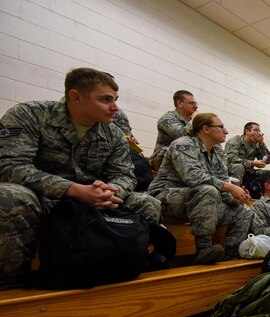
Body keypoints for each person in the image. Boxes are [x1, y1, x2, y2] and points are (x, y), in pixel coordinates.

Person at [0, 67, 161, 290]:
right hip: (43, 197)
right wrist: (74, 189)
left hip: (93, 200)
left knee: (148, 203)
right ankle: (11, 287)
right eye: (106, 99)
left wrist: (110, 190)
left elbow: (124, 174)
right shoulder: (30, 114)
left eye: (115, 99)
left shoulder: (113, 133)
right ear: (75, 97)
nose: (115, 107)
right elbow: (11, 166)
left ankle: (127, 271)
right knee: (8, 197)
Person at [147, 113, 252, 265]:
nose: (226, 131)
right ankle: (203, 250)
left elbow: (222, 184)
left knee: (242, 211)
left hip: (198, 203)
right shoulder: (183, 144)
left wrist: (235, 198)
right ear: (206, 129)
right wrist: (230, 187)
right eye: (221, 127)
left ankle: (231, 257)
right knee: (208, 191)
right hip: (165, 198)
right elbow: (193, 177)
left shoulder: (216, 154)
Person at [151, 90, 199, 171]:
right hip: (163, 157)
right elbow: (182, 137)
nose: (196, 107)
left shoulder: (191, 120)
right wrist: (194, 120)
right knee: (185, 148)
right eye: (191, 103)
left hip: (187, 154)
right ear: (179, 103)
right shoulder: (167, 118)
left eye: (196, 103)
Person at [225, 122, 270, 186]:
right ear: (247, 131)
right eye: (256, 130)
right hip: (232, 169)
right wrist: (252, 163)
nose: (258, 133)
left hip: (248, 171)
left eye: (259, 131)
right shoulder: (235, 141)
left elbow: (268, 160)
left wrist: (262, 144)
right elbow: (230, 158)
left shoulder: (257, 145)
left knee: (269, 174)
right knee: (239, 167)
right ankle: (235, 193)